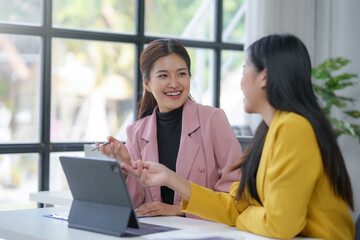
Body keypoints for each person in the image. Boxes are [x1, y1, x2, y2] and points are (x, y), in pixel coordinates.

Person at [122, 34, 355, 239]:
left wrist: (241, 216)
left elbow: (278, 223)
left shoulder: (293, 127)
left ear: (263, 78)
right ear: (148, 84)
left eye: (244, 71)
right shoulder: (270, 130)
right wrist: (171, 178)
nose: (241, 83)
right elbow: (235, 205)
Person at [98, 39, 243, 218]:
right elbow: (136, 204)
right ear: (147, 84)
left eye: (182, 74)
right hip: (156, 231)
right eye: (163, 76)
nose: (174, 83)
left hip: (202, 231)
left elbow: (236, 195)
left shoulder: (213, 120)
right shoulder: (136, 132)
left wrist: (180, 210)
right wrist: (127, 166)